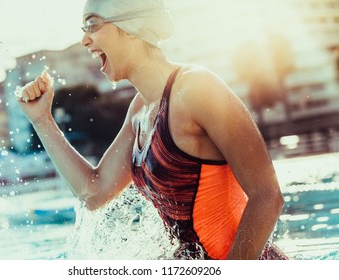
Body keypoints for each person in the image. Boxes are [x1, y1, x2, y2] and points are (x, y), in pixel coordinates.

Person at [17, 0, 287, 260]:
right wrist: (42, 120)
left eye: (93, 24)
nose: (84, 40)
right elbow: (94, 192)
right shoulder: (139, 110)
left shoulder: (197, 88)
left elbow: (267, 196)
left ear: (133, 27)